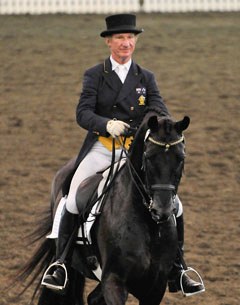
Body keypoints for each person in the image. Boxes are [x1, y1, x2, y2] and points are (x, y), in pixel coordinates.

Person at [42, 14, 204, 296]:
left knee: (175, 206)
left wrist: (158, 124)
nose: (126, 43)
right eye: (120, 38)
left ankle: (178, 268)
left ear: (135, 41)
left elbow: (159, 108)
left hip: (135, 151)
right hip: (103, 147)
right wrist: (106, 124)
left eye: (130, 38)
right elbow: (82, 113)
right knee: (73, 200)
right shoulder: (95, 74)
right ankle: (61, 264)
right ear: (109, 42)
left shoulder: (145, 77)